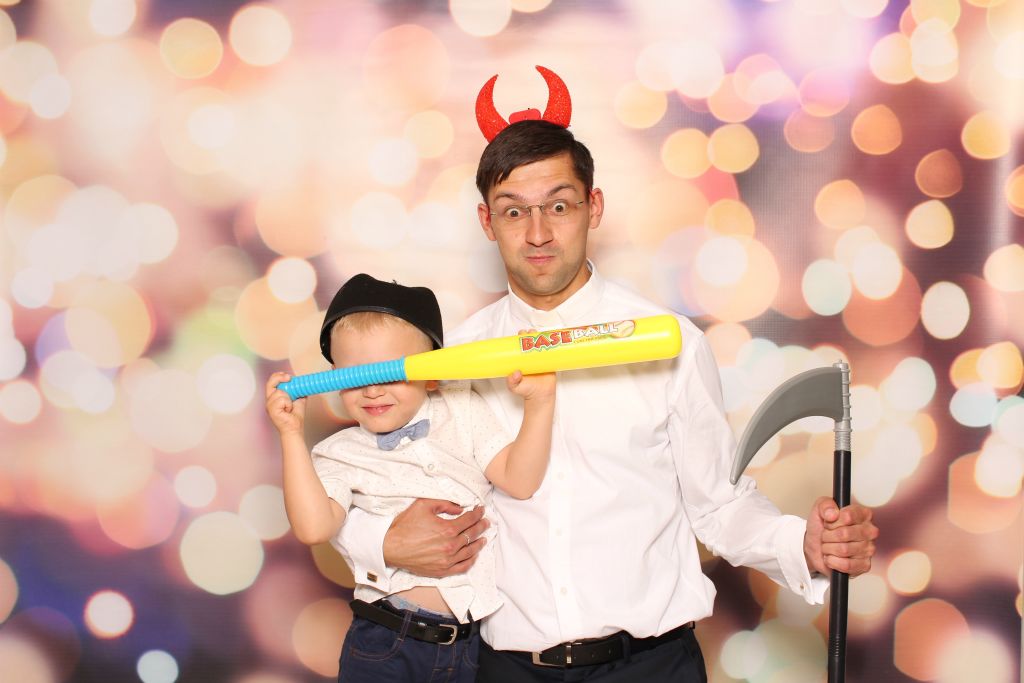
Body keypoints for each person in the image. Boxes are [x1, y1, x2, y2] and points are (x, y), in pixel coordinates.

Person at [337, 114, 879, 681]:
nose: (538, 233)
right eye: (514, 211)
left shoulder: (669, 342)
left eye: (559, 205)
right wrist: (381, 543)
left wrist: (804, 545)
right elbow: (378, 480)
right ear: (487, 221)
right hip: (503, 669)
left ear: (593, 207)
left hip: (651, 666)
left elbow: (717, 504)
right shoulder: (455, 361)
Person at [265, 273, 556, 683]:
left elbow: (520, 481)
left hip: (467, 646)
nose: (372, 390)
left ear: (431, 373)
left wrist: (540, 403)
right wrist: (290, 435)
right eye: (355, 376)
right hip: (387, 641)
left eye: (390, 373)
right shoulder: (339, 453)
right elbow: (314, 527)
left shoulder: (463, 411)